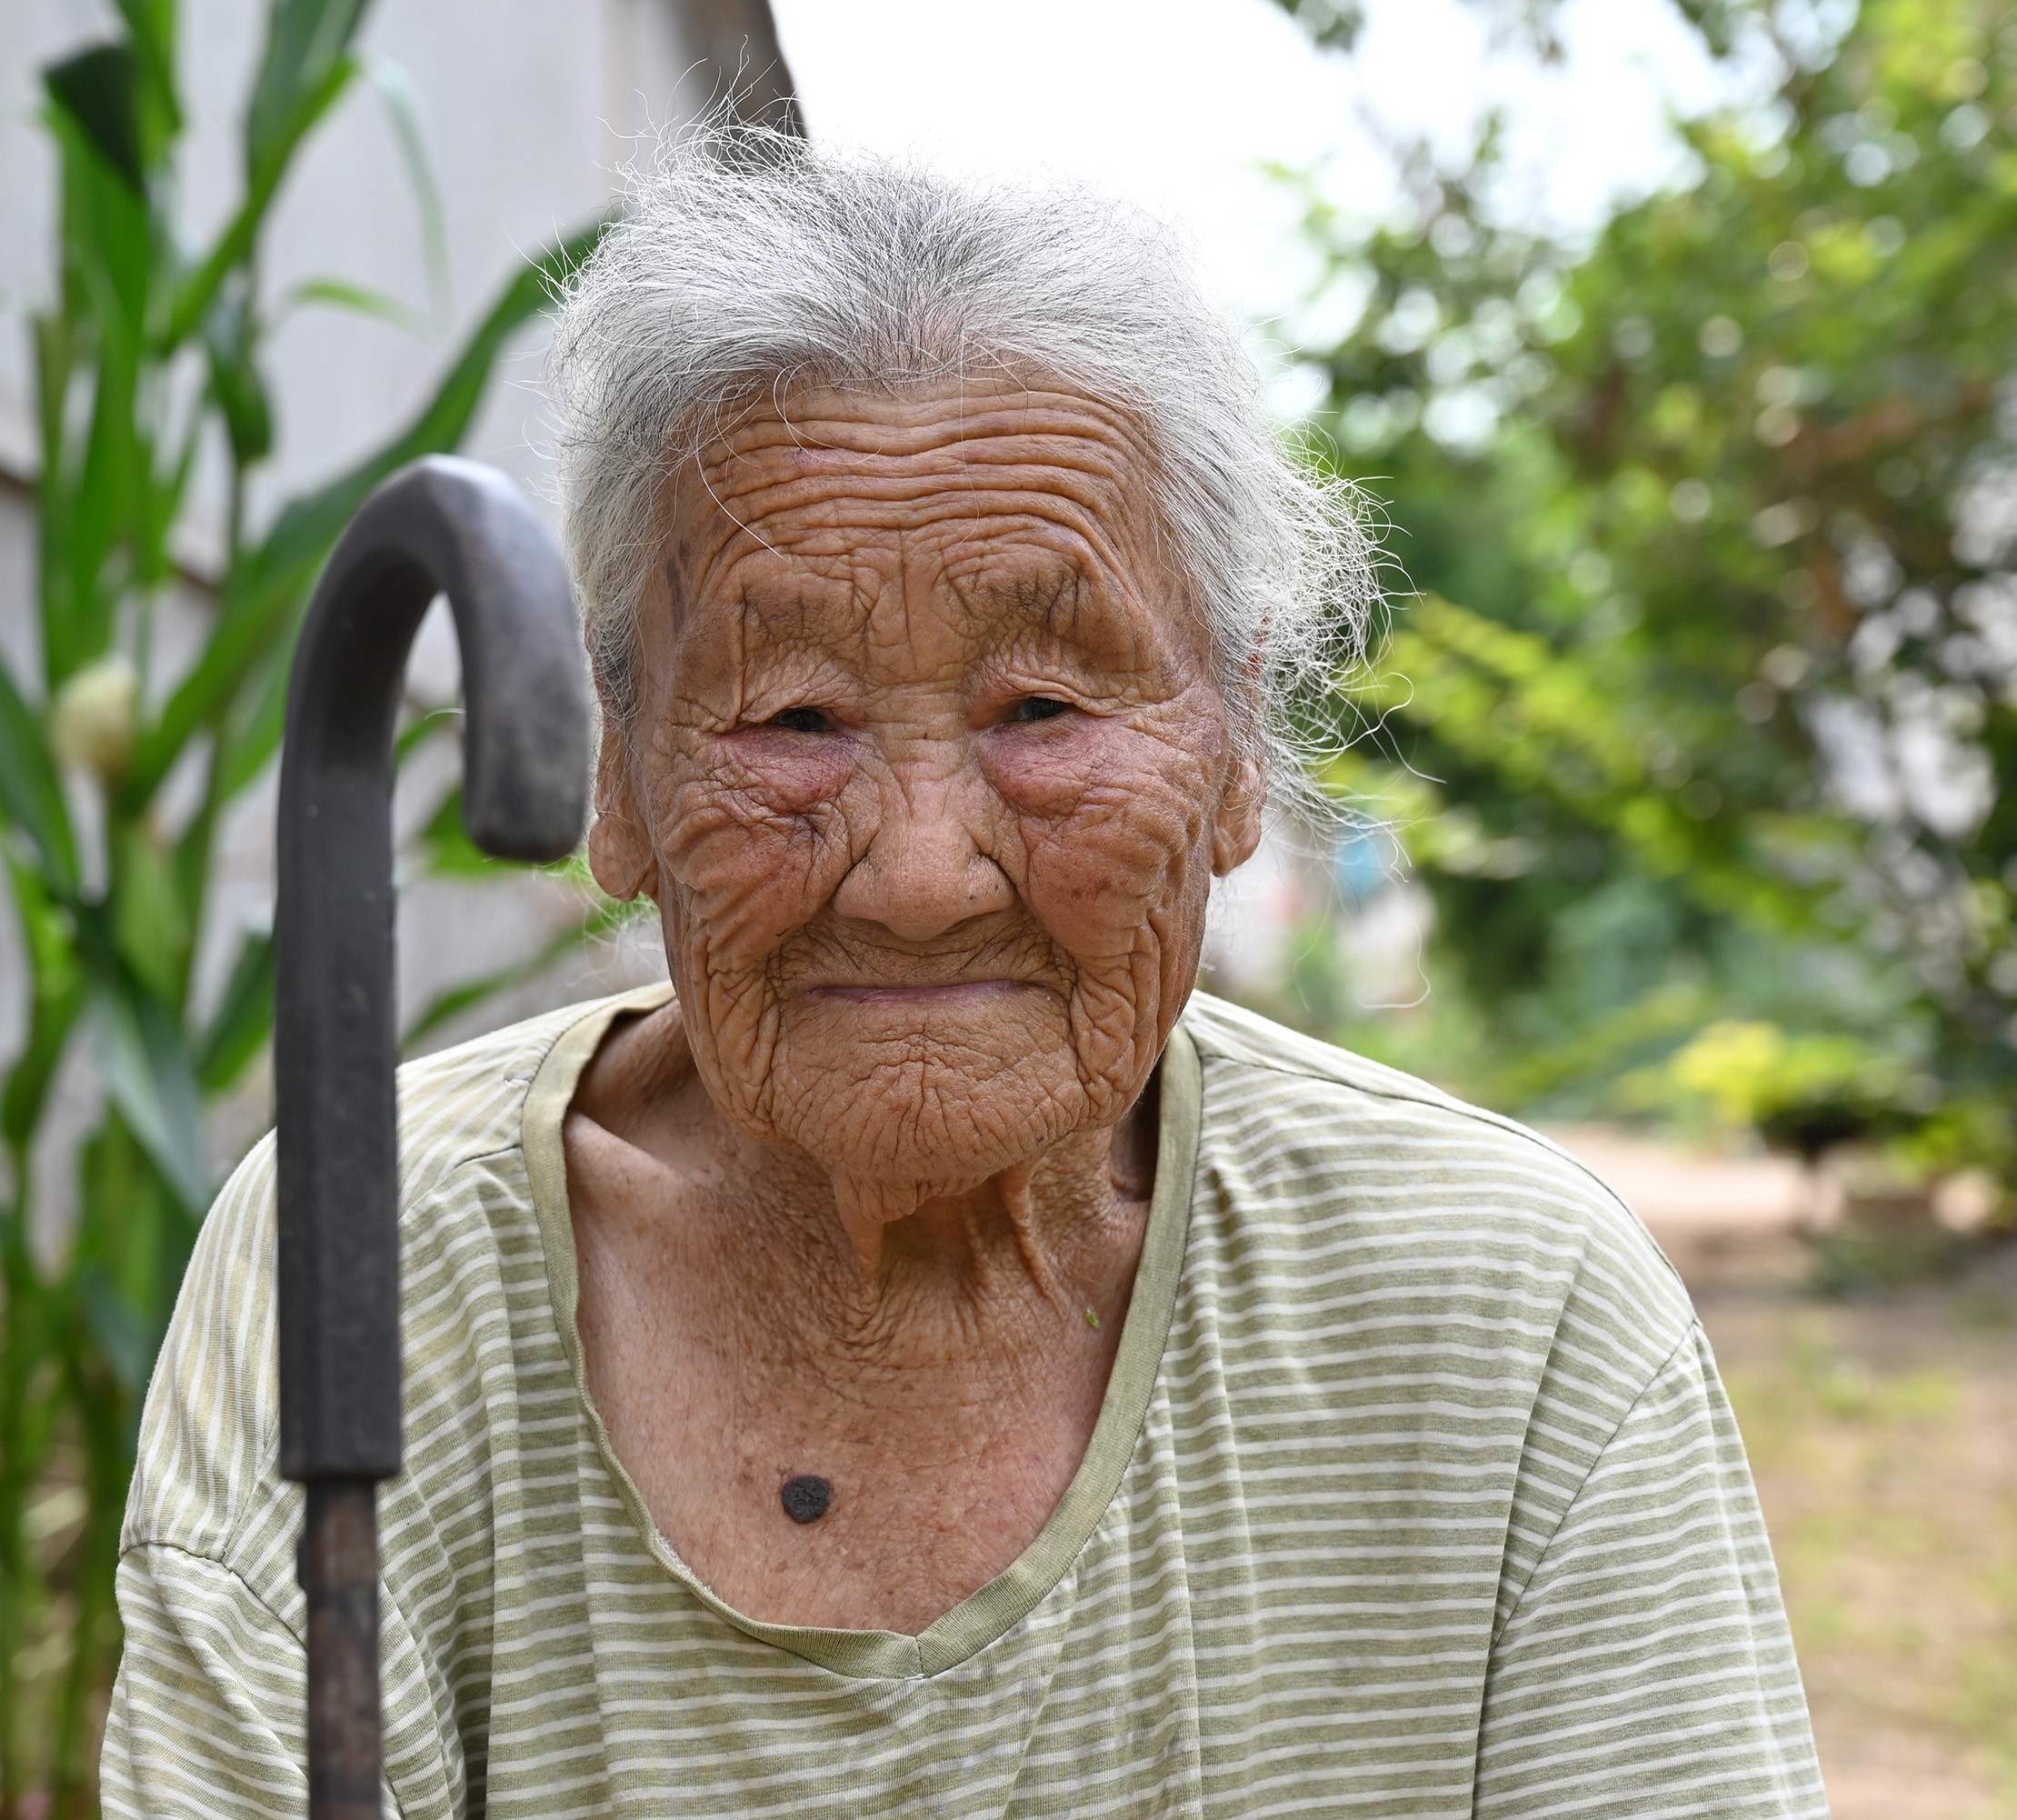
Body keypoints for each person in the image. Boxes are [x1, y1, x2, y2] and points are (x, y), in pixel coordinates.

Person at [102, 132, 1826, 1818]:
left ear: (1233, 753)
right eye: (794, 719)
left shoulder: (1507, 1318)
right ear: (618, 780)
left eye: (1044, 710)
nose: (921, 875)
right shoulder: (370, 1259)